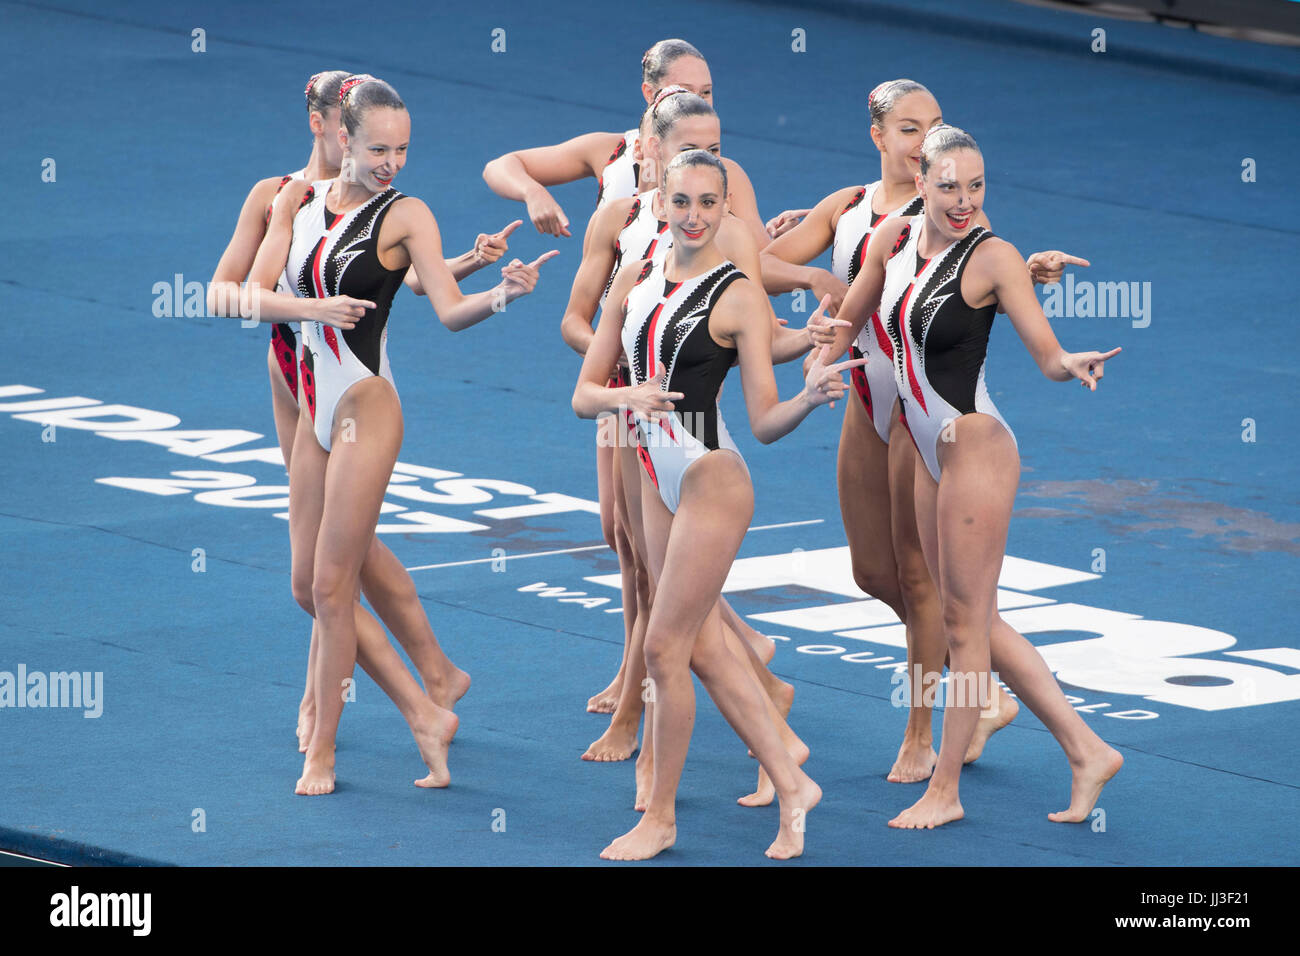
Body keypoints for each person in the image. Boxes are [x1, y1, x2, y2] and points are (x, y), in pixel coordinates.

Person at [761, 79, 1086, 781]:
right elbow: (753, 264)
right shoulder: (850, 210)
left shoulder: (949, 201)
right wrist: (813, 277)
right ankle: (986, 693)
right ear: (878, 137)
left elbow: (986, 274)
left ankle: (923, 728)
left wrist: (1035, 273)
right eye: (909, 129)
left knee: (923, 581)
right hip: (864, 399)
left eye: (934, 126)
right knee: (874, 572)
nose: (924, 142)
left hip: (930, 410)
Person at [242, 75, 557, 794]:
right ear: (341, 138)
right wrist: (311, 306)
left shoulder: (408, 214)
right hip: (309, 398)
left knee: (331, 583)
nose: (391, 161)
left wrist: (502, 291)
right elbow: (252, 299)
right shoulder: (294, 201)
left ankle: (328, 747)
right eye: (379, 147)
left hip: (364, 402)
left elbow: (443, 308)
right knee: (309, 585)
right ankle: (430, 695)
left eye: (403, 149)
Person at [827, 124, 1123, 827]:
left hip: (975, 444)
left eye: (977, 186)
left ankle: (945, 789)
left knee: (961, 625)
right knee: (978, 619)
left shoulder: (992, 257)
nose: (964, 200)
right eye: (950, 186)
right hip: (930, 448)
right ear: (920, 182)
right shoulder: (891, 244)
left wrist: (1068, 364)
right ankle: (1087, 750)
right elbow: (846, 321)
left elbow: (1044, 352)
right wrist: (808, 358)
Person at [574, 150, 863, 859]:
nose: (695, 216)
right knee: (699, 648)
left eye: (710, 203)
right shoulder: (633, 281)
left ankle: (662, 817)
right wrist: (626, 396)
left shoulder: (735, 294)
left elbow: (762, 419)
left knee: (664, 647)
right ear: (661, 203)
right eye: (683, 202)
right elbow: (584, 395)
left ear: (726, 208)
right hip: (652, 472)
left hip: (711, 476)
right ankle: (791, 776)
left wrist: (808, 393)